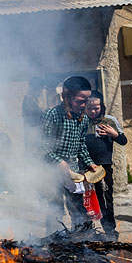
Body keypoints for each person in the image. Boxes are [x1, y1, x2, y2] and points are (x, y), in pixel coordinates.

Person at [40, 76, 98, 235]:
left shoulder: (84, 118)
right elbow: (42, 145)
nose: (84, 105)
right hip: (52, 171)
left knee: (79, 209)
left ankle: (82, 242)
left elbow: (81, 145)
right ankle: (53, 244)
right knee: (55, 209)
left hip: (73, 172)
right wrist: (59, 162)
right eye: (80, 101)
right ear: (66, 97)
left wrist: (89, 162)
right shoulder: (52, 115)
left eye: (86, 100)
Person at [84, 90, 127, 240]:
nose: (93, 111)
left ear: (102, 105)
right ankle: (85, 233)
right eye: (89, 108)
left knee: (105, 200)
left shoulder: (109, 120)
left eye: (96, 107)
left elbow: (123, 140)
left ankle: (110, 232)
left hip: (103, 168)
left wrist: (112, 133)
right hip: (84, 168)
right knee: (85, 201)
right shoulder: (81, 120)